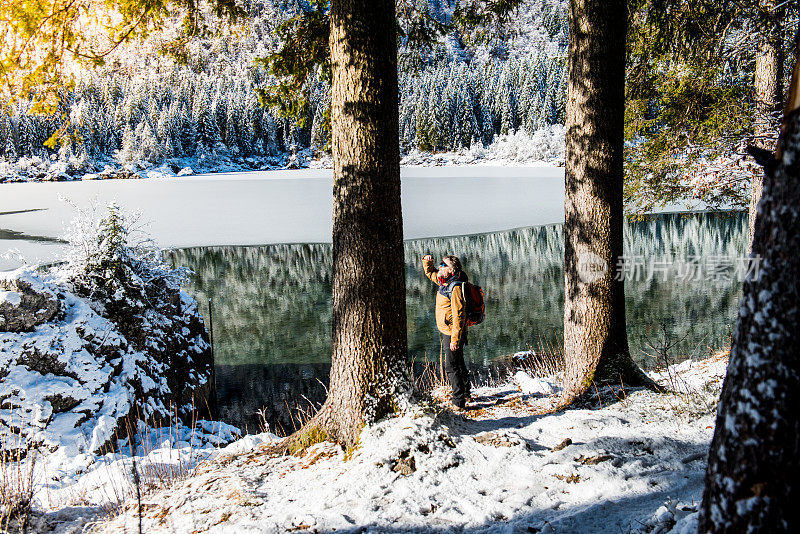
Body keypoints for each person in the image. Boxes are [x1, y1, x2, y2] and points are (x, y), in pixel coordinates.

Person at [421, 254, 472, 409]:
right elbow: (430, 273)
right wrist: (427, 262)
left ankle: (458, 402)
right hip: (448, 330)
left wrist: (455, 340)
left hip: (452, 332)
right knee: (459, 362)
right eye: (440, 264)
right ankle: (466, 393)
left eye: (443, 265)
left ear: (451, 270)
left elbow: (459, 315)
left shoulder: (455, 287)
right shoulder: (444, 281)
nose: (440, 267)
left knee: (451, 366)